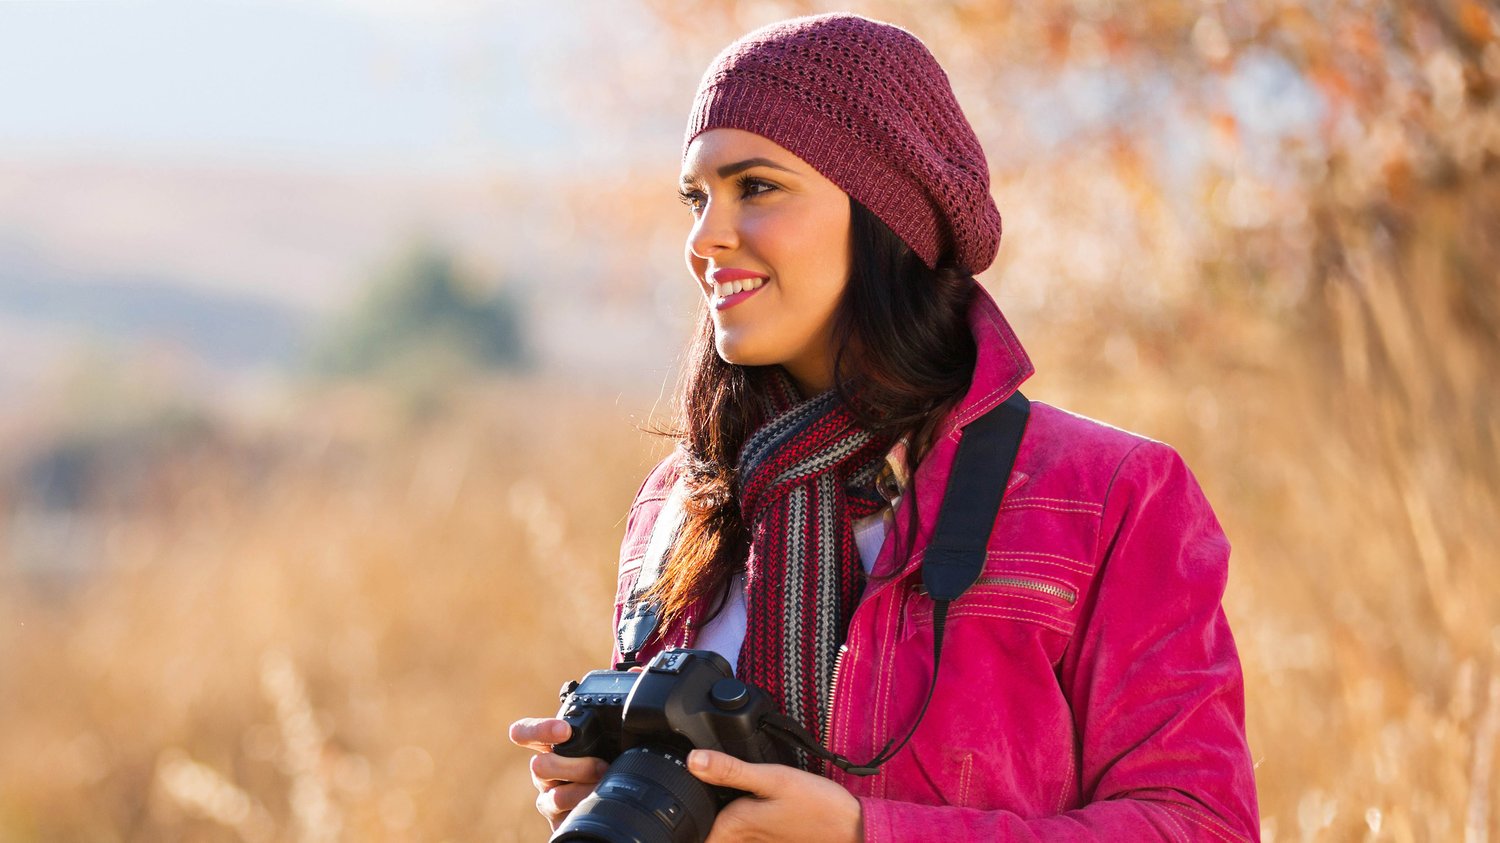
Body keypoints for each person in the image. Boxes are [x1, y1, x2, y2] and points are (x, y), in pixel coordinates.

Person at [510, 12, 1259, 841]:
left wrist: (870, 832)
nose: (704, 237)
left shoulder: (1111, 496)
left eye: (755, 187)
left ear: (885, 212)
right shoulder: (679, 504)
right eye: (697, 196)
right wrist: (616, 792)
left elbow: (1200, 824)